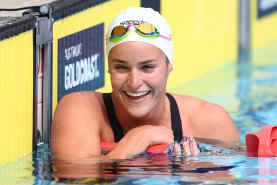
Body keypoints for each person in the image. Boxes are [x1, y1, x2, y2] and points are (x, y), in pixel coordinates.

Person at [50, 7, 240, 161]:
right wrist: (137, 139)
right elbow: (73, 177)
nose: (134, 82)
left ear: (169, 66)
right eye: (122, 68)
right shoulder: (80, 109)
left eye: (148, 67)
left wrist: (189, 177)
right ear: (108, 69)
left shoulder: (211, 122)